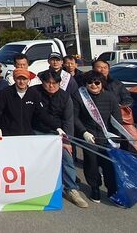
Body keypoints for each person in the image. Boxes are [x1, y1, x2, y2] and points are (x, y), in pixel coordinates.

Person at [33, 70, 89, 208]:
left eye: (54, 83)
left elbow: (68, 121)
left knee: (67, 158)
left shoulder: (65, 97)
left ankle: (71, 189)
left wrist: (67, 141)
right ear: (43, 82)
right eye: (48, 83)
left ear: (59, 83)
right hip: (36, 132)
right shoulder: (34, 92)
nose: (51, 86)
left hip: (58, 134)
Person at [72, 70, 124, 204]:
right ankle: (94, 187)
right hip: (89, 136)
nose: (93, 85)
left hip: (107, 137)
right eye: (90, 82)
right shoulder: (79, 96)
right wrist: (84, 132)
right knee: (91, 163)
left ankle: (112, 189)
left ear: (102, 83)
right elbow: (75, 117)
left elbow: (117, 119)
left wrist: (115, 138)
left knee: (109, 165)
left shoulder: (110, 97)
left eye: (97, 82)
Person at [0, 68, 60, 137]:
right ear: (15, 79)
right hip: (8, 134)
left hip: (27, 134)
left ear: (28, 80)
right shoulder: (5, 93)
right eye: (19, 79)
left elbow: (42, 113)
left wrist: (56, 127)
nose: (22, 82)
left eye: (24, 79)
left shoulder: (33, 94)